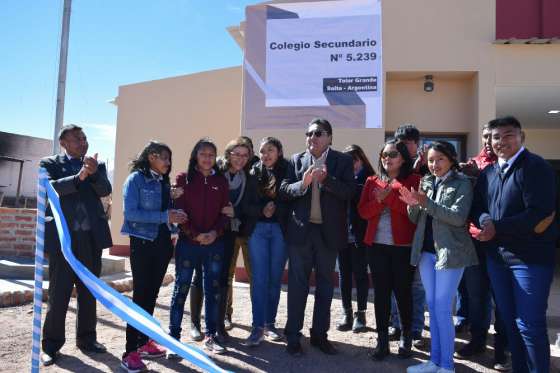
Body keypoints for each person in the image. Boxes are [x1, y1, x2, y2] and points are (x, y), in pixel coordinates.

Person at [472, 116, 557, 373]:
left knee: (529, 324)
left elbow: (539, 212)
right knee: (510, 323)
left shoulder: (535, 167)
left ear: (522, 137)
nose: (501, 141)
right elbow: (477, 207)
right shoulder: (488, 172)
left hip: (529, 259)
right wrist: (485, 220)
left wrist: (497, 227)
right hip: (497, 258)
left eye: (508, 135)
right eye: (496, 137)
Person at [400, 141, 478, 373]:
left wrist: (427, 203)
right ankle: (434, 362)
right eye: (431, 160)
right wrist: (413, 205)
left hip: (451, 253)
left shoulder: (463, 183)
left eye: (440, 159)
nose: (435, 165)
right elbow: (417, 218)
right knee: (432, 308)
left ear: (452, 160)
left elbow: (457, 217)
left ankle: (447, 365)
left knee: (443, 308)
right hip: (426, 252)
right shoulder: (426, 181)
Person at [280, 118, 355, 356]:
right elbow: (284, 190)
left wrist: (327, 181)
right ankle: (293, 336)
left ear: (330, 138)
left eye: (318, 133)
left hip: (328, 234)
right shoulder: (296, 160)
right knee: (297, 286)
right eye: (309, 133)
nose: (312, 137)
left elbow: (350, 192)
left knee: (324, 286)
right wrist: (302, 184)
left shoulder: (342, 161)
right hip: (301, 232)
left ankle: (319, 336)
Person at [40, 124, 112, 366]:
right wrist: (79, 176)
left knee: (89, 292)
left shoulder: (97, 165)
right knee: (59, 294)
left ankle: (87, 339)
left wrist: (91, 173)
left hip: (91, 239)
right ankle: (51, 346)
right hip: (64, 242)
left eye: (84, 138)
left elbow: (105, 189)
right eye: (77, 139)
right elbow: (52, 189)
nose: (83, 143)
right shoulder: (49, 163)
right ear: (64, 143)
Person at [120, 141, 187, 372]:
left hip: (162, 245)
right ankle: (130, 352)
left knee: (152, 295)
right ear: (151, 156)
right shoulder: (135, 180)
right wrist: (166, 215)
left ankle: (145, 341)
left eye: (170, 159)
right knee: (141, 296)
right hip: (142, 244)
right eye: (164, 158)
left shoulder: (163, 181)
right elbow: (131, 213)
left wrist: (174, 213)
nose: (168, 163)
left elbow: (165, 215)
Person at [453, 124, 510, 371]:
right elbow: (468, 202)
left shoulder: (507, 165)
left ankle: (502, 350)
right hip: (474, 243)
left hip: (502, 246)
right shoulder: (472, 163)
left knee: (502, 299)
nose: (489, 141)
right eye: (486, 136)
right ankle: (477, 340)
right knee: (477, 296)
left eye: (493, 136)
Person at [358, 140, 421, 360]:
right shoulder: (371, 180)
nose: (387, 158)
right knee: (382, 294)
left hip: (403, 247)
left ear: (403, 158)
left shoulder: (414, 180)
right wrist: (379, 201)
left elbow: (413, 215)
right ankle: (382, 340)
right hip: (376, 247)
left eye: (392, 154)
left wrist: (389, 198)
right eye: (384, 155)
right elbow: (363, 213)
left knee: (403, 293)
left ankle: (406, 336)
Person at [168, 138, 230, 355]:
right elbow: (180, 213)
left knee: (212, 291)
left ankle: (211, 335)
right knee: (181, 289)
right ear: (196, 155)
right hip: (188, 245)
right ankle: (174, 339)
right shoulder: (183, 179)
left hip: (214, 245)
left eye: (211, 155)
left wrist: (214, 233)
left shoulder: (221, 182)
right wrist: (196, 235)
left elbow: (225, 213)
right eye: (203, 154)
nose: (207, 158)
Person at [242, 137, 289, 346]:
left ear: (279, 151)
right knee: (259, 278)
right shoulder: (253, 172)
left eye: (270, 150)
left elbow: (294, 199)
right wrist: (261, 209)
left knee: (274, 278)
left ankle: (270, 324)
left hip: (280, 229)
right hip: (258, 230)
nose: (265, 155)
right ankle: (257, 327)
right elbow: (245, 205)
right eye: (262, 151)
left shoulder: (289, 170)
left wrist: (276, 208)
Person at [391, 123, 428, 347]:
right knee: (397, 284)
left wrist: (421, 169)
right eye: (400, 143)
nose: (403, 147)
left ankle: (415, 328)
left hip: (420, 237)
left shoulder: (426, 169)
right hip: (397, 237)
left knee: (416, 286)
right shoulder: (394, 168)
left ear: (416, 144)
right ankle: (397, 324)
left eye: (408, 143)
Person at [215, 137, 252, 342]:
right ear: (228, 153)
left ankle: (220, 323)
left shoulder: (247, 176)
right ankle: (207, 323)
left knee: (224, 278)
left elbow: (247, 204)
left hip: (232, 231)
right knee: (209, 278)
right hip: (213, 230)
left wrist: (234, 211)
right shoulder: (217, 172)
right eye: (236, 154)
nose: (240, 159)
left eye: (245, 155)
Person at [335, 145, 375, 333]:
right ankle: (347, 312)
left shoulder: (369, 178)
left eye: (355, 159)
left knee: (360, 274)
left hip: (361, 234)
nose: (352, 164)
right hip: (342, 232)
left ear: (361, 159)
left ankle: (361, 314)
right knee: (344, 274)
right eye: (348, 160)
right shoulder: (341, 177)